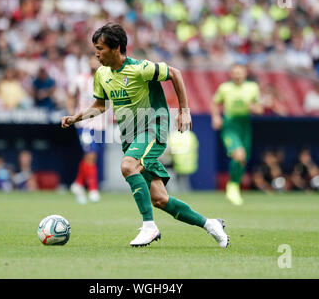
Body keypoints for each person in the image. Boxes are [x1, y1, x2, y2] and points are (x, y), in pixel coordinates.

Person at [61, 23, 228, 248]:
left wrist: (183, 110)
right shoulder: (102, 74)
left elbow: (175, 74)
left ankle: (149, 226)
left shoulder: (141, 68)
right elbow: (101, 106)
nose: (96, 54)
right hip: (130, 136)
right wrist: (75, 117)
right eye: (95, 49)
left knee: (128, 166)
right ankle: (210, 224)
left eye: (100, 48)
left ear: (116, 47)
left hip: (153, 129)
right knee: (160, 199)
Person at [210, 63, 264, 206]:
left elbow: (259, 108)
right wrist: (216, 117)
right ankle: (233, 186)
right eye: (235, 72)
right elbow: (215, 103)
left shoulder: (252, 87)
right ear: (231, 74)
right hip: (230, 125)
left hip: (245, 125)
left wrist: (254, 108)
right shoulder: (225, 88)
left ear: (245, 73)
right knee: (238, 154)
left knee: (242, 159)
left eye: (240, 72)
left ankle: (234, 185)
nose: (237, 75)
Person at [66, 55, 105, 204]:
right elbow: (70, 96)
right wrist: (71, 114)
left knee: (91, 155)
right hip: (85, 124)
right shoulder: (80, 79)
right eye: (92, 59)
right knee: (91, 154)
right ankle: (93, 189)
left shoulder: (106, 79)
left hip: (100, 124)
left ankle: (78, 183)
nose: (94, 62)